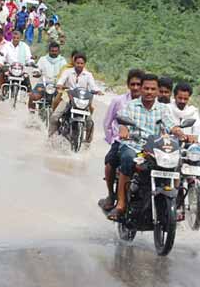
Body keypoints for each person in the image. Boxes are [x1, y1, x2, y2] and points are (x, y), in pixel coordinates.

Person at [108, 74, 186, 221]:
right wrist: (123, 129)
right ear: (141, 90)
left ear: (157, 91)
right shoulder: (131, 106)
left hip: (154, 149)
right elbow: (122, 120)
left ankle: (176, 204)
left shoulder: (162, 109)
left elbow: (170, 124)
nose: (149, 92)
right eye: (146, 88)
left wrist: (179, 132)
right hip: (134, 146)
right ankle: (121, 204)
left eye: (153, 89)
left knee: (178, 162)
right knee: (127, 158)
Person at [99, 69, 144, 211]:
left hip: (144, 143)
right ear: (128, 84)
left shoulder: (149, 103)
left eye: (138, 84)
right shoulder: (119, 101)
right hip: (121, 141)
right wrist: (112, 139)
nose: (136, 87)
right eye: (133, 84)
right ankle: (111, 195)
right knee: (110, 161)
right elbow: (107, 122)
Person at [48, 52, 99, 137]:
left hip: (82, 100)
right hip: (68, 98)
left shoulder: (88, 74)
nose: (79, 65)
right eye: (78, 63)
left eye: (82, 63)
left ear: (84, 64)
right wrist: (60, 85)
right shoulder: (67, 72)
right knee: (54, 117)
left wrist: (97, 91)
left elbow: (93, 86)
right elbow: (61, 80)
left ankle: (87, 143)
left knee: (90, 122)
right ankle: (50, 138)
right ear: (74, 63)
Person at [29, 42, 66, 112]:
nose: (54, 53)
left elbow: (65, 72)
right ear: (49, 51)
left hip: (57, 85)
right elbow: (37, 69)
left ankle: (59, 117)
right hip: (43, 84)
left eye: (56, 51)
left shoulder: (62, 61)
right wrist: (36, 72)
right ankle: (31, 114)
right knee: (32, 96)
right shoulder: (43, 59)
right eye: (52, 51)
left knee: (63, 101)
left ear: (59, 51)